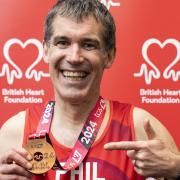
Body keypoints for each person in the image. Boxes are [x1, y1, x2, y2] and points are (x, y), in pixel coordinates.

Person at [0, 0, 180, 179]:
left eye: (88, 45)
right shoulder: (14, 132)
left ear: (109, 56)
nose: (74, 57)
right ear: (46, 51)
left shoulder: (139, 127)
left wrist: (176, 169)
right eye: (63, 42)